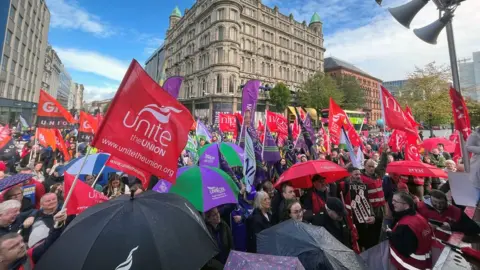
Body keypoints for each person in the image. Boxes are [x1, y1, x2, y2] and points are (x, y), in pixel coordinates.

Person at [0, 210, 68, 270]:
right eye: (13, 246)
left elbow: (50, 241)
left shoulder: (29, 256)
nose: (22, 245)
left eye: (21, 242)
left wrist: (58, 223)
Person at [386, 192, 433, 270]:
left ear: (406, 205)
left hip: (408, 265)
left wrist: (390, 234)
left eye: (395, 201)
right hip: (423, 264)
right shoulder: (419, 217)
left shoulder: (405, 225)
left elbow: (405, 249)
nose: (392, 203)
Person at [359, 159, 386, 250]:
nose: (371, 168)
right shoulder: (361, 179)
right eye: (369, 166)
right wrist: (370, 213)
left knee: (379, 230)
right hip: (371, 210)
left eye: (373, 166)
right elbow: (364, 198)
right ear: (364, 166)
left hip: (381, 208)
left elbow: (382, 165)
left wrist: (385, 155)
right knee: (371, 232)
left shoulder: (377, 176)